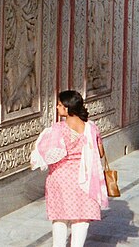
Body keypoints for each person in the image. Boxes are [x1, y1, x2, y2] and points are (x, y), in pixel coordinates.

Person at [31, 90, 108, 247]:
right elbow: (100, 153)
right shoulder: (91, 127)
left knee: (60, 217)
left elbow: (44, 153)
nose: (57, 108)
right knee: (81, 216)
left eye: (59, 105)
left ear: (67, 108)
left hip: (60, 179)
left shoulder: (57, 129)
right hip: (85, 179)